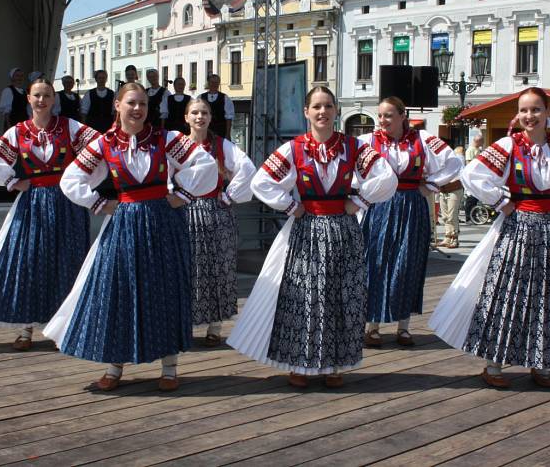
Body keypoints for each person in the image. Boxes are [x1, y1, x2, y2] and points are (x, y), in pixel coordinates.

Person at [429, 87, 550, 389]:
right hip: (517, 228)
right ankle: (494, 365)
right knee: (507, 293)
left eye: (536, 109)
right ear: (519, 114)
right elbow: (474, 174)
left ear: (547, 112)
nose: (530, 116)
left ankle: (541, 362)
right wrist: (501, 202)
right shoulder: (509, 145)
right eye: (525, 110)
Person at [44, 83, 217, 392]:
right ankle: (114, 366)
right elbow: (71, 179)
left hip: (163, 221)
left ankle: (169, 367)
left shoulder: (165, 139)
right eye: (132, 103)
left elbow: (204, 163)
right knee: (119, 290)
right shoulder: (104, 144)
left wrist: (183, 193)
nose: (138, 109)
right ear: (118, 105)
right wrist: (97, 202)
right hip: (124, 222)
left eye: (143, 105)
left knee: (165, 289)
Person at [227, 86, 397, 389]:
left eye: (328, 106)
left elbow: (386, 177)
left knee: (342, 296)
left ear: (336, 111)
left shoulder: (353, 147)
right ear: (306, 112)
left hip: (344, 229)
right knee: (305, 297)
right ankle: (302, 363)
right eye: (317, 107)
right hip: (306, 231)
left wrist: (360, 201)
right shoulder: (294, 149)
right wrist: (291, 206)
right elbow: (262, 181)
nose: (323, 112)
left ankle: (336, 363)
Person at [0, 78, 95, 350]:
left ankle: (63, 328)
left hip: (67, 203)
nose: (42, 100)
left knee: (68, 260)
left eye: (47, 96)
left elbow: (100, 149)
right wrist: (12, 181)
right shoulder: (19, 132)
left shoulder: (69, 127)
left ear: (54, 99)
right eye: (37, 95)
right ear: (29, 99)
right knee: (28, 261)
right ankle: (26, 328)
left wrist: (80, 178)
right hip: (33, 202)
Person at [359, 97, 462, 348]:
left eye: (388, 115)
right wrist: (364, 192)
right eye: (380, 115)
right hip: (380, 207)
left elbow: (454, 162)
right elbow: (349, 169)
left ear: (403, 116)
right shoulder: (367, 142)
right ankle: (371, 326)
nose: (382, 120)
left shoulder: (423, 140)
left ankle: (403, 327)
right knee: (376, 262)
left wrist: (429, 185)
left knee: (408, 264)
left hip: (411, 205)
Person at [179, 97, 255, 347]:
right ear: (186, 117)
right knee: (187, 268)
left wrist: (229, 195)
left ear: (211, 118)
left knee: (218, 266)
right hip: (183, 211)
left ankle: (215, 325)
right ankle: (185, 322)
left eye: (204, 113)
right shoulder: (176, 145)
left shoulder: (222, 145)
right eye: (195, 113)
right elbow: (161, 172)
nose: (200, 117)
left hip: (216, 211)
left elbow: (247, 168)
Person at [437, 146, 466, 248]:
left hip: (455, 188)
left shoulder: (458, 160)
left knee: (452, 215)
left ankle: (454, 238)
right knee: (445, 216)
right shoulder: (443, 160)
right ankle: (447, 237)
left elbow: (462, 174)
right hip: (443, 189)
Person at [463, 134, 484, 223]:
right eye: (482, 141)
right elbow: (468, 163)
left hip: (477, 176)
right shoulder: (470, 150)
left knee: (475, 197)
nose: (482, 143)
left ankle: (473, 216)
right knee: (471, 198)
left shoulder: (478, 150)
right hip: (472, 176)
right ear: (477, 141)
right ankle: (468, 217)